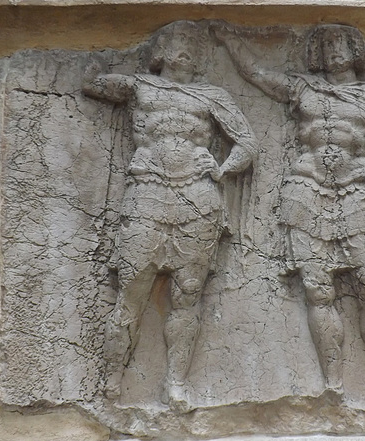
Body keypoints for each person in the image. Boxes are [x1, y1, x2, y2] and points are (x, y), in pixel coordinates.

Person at [213, 22, 365, 414]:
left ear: (356, 49)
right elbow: (258, 75)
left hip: (359, 190)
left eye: (342, 42)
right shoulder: (303, 88)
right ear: (316, 54)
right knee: (318, 290)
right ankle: (333, 386)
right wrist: (229, 39)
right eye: (325, 44)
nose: (334, 50)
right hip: (305, 191)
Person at [83, 21, 257, 407]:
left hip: (197, 195)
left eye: (193, 44)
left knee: (188, 293)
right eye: (177, 42)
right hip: (147, 192)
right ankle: (112, 379)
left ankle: (176, 382)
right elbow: (93, 86)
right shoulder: (141, 86)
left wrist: (223, 169)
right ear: (160, 49)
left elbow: (246, 142)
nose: (185, 50)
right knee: (132, 289)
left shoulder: (212, 95)